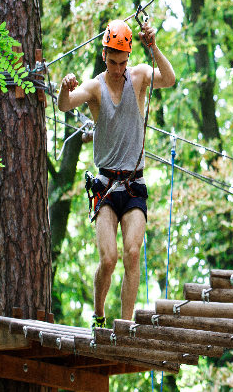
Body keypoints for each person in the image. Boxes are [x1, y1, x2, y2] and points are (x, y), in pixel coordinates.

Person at [58, 18, 176, 327]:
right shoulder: (95, 87)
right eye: (113, 61)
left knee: (133, 253)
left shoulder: (137, 77)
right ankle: (98, 316)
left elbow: (169, 77)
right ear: (103, 55)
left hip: (134, 184)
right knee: (109, 259)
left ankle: (124, 326)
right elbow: (65, 105)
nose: (118, 68)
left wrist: (154, 47)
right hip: (106, 187)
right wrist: (63, 87)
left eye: (123, 62)